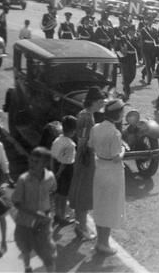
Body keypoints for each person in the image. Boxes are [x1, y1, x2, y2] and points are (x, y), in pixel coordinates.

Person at [90, 98, 127, 255]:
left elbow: (90, 146)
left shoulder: (96, 127)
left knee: (100, 205)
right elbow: (116, 157)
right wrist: (124, 149)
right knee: (110, 207)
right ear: (117, 114)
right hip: (112, 172)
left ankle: (100, 241)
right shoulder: (114, 133)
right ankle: (104, 243)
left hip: (99, 168)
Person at [12, 147, 57, 272]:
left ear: (45, 164)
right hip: (25, 222)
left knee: (48, 252)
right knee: (25, 247)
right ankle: (27, 267)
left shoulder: (50, 177)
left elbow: (52, 191)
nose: (32, 164)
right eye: (31, 160)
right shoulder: (23, 180)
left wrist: (49, 210)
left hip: (43, 223)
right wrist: (35, 214)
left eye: (36, 162)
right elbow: (16, 202)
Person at [69, 87, 105, 241]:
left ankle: (80, 225)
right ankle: (82, 227)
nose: (102, 104)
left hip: (83, 157)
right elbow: (83, 141)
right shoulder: (87, 117)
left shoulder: (85, 114)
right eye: (100, 101)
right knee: (84, 193)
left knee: (81, 193)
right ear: (93, 101)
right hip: (86, 158)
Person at [51, 115, 77, 226]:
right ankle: (62, 217)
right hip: (65, 172)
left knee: (57, 194)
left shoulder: (57, 139)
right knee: (63, 196)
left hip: (55, 167)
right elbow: (65, 163)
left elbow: (53, 158)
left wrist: (54, 173)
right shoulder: (70, 145)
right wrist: (59, 174)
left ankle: (57, 214)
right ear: (74, 130)